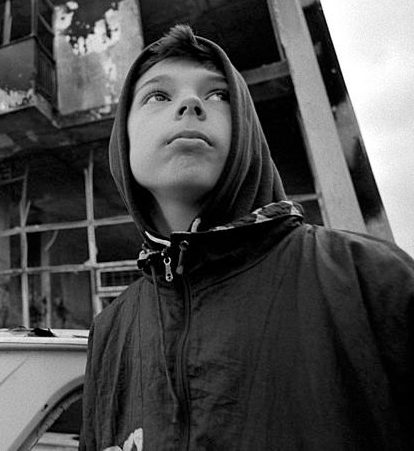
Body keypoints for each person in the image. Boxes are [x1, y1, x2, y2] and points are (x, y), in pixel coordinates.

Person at [80, 25, 414, 450]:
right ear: (122, 142)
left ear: (246, 130)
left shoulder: (369, 278)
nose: (190, 103)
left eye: (218, 95)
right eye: (158, 96)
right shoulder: (110, 331)